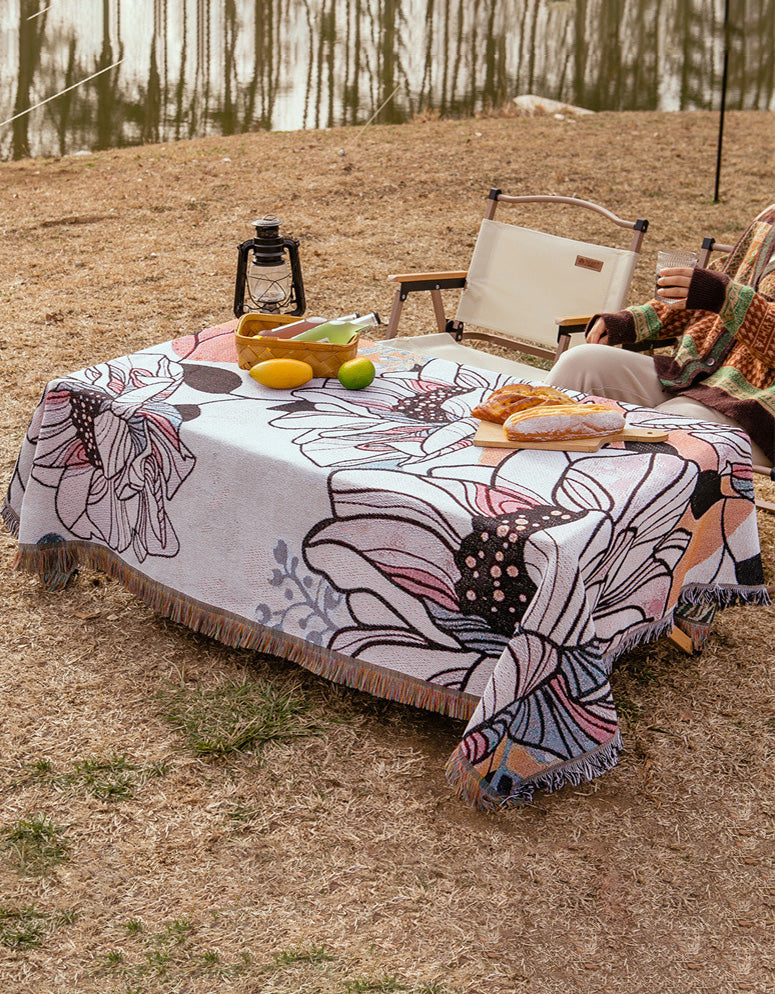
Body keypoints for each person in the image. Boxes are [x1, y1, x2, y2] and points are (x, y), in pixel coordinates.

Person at [545, 203, 775, 468]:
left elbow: (721, 293)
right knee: (580, 362)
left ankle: (595, 499)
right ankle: (519, 470)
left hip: (755, 409)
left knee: (664, 427)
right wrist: (631, 321)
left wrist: (723, 295)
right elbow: (707, 290)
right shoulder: (768, 217)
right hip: (691, 376)